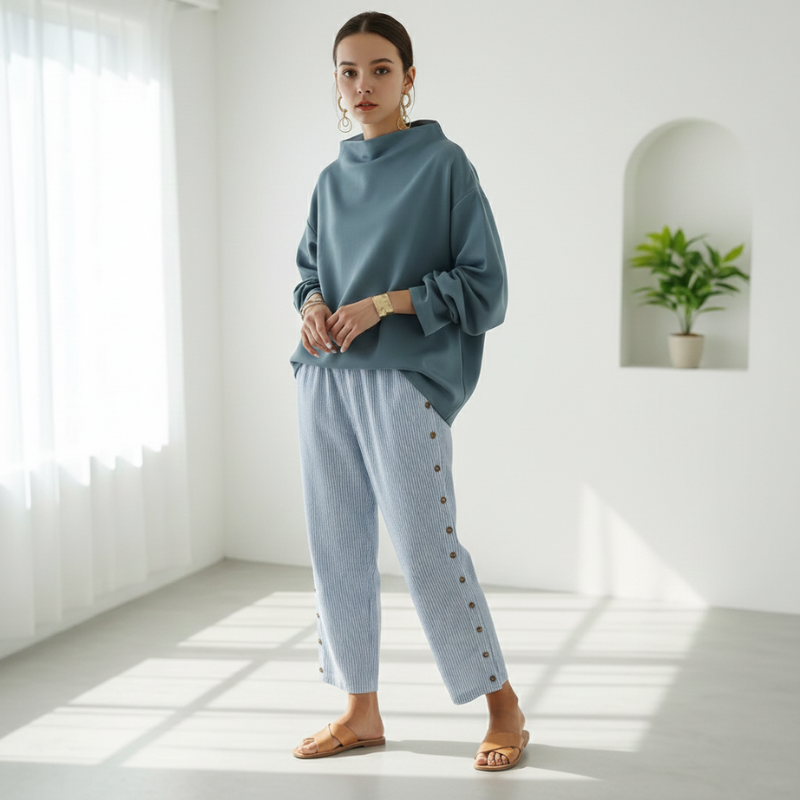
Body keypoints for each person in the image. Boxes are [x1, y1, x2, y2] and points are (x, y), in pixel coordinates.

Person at [289, 11, 528, 772]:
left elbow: (485, 287)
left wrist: (384, 304)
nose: (363, 86)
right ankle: (359, 711)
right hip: (324, 380)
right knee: (337, 549)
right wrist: (315, 309)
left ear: (409, 78)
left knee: (427, 550)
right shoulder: (331, 179)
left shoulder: (444, 166)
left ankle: (503, 705)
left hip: (401, 381)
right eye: (349, 71)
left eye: (380, 70)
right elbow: (309, 273)